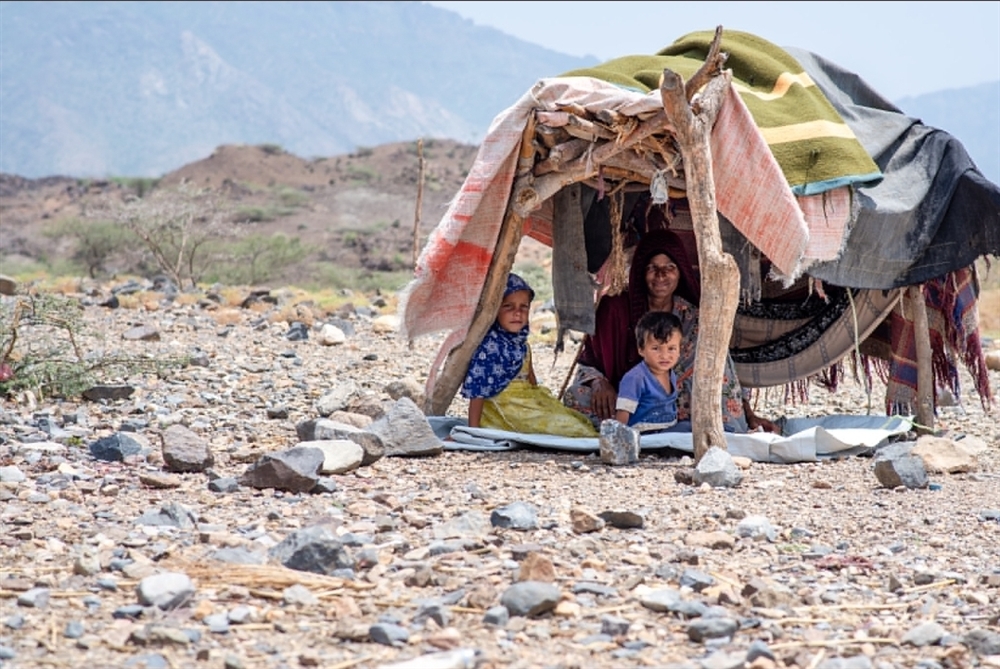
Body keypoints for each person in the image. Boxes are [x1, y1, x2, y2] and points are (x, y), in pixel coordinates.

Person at [563, 227, 779, 433]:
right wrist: (599, 383)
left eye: (669, 268)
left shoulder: (691, 315)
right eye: (652, 268)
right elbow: (589, 360)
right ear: (640, 271)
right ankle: (639, 427)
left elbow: (722, 366)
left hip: (672, 398)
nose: (660, 275)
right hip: (627, 396)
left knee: (717, 367)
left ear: (681, 272)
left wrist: (747, 413)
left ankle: (664, 426)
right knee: (577, 396)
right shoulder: (614, 308)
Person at [461, 272, 598, 437]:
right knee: (568, 429)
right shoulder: (488, 349)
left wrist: (544, 404)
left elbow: (532, 383)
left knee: (570, 418)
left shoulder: (523, 347)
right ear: (495, 309)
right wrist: (473, 431)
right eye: (508, 306)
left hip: (527, 403)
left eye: (523, 307)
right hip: (505, 410)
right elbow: (478, 392)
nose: (517, 313)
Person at [615, 310, 683, 432]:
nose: (664, 355)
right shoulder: (636, 377)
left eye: (671, 348)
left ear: (679, 350)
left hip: (669, 430)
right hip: (645, 434)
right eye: (656, 348)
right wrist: (618, 437)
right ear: (641, 350)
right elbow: (623, 411)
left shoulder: (671, 374)